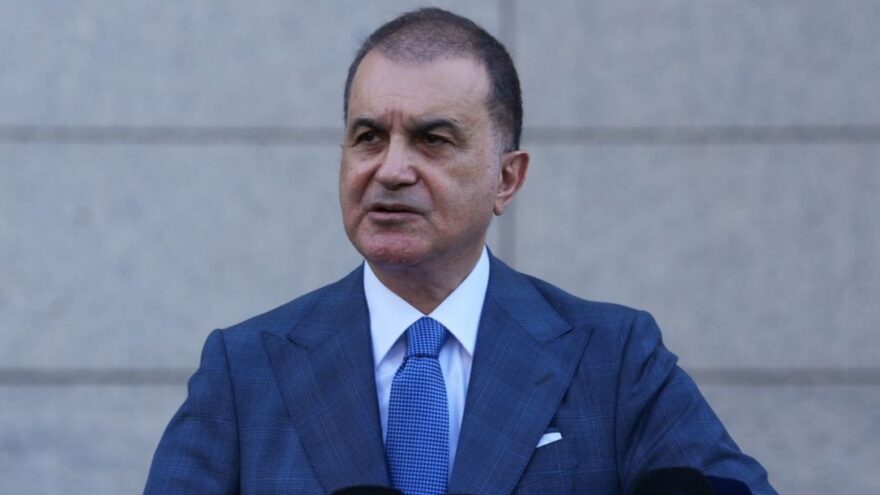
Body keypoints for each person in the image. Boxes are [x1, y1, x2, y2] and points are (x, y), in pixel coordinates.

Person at [145, 7, 776, 495]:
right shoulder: (245, 370)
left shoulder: (614, 360)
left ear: (507, 179)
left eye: (433, 140)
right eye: (369, 137)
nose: (391, 170)